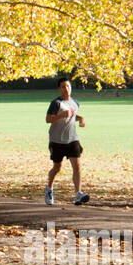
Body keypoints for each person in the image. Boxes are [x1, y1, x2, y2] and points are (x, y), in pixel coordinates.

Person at [44, 77, 88, 205]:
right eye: (63, 86)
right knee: (57, 167)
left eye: (68, 86)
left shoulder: (75, 102)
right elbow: (48, 119)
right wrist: (61, 115)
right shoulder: (56, 103)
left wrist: (81, 119)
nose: (66, 89)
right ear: (59, 89)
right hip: (57, 140)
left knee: (77, 166)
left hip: (72, 139)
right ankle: (49, 189)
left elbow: (73, 116)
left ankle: (78, 194)